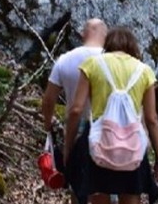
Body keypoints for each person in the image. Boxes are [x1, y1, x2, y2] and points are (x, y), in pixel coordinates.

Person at [64, 27, 158, 204]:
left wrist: (68, 147)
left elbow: (76, 110)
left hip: (97, 143)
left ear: (108, 44)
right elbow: (151, 119)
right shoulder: (144, 71)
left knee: (98, 194)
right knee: (131, 195)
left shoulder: (93, 64)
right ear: (132, 47)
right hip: (132, 147)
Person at [41, 18, 107, 203]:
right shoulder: (112, 59)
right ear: (105, 34)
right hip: (107, 129)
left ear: (83, 34)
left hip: (75, 129)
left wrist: (48, 126)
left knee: (77, 186)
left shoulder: (65, 60)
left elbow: (48, 101)